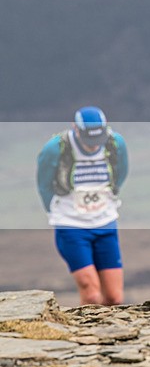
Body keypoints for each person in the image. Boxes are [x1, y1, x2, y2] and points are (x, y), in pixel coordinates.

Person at [36, 106, 129, 306]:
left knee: (114, 297)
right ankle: (91, 334)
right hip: (71, 225)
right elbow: (44, 183)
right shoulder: (56, 148)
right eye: (89, 140)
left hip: (105, 222)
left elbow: (122, 172)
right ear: (75, 129)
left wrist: (109, 197)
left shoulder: (115, 143)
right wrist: (56, 210)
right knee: (91, 293)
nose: (93, 146)